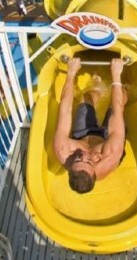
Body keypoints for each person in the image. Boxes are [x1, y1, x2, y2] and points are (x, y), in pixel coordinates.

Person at [53, 57, 127, 194]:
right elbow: (117, 111)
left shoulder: (62, 150)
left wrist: (71, 73)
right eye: (88, 162)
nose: (84, 155)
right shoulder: (111, 155)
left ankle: (97, 89)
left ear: (70, 168)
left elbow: (65, 109)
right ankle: (124, 88)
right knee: (120, 100)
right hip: (107, 138)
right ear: (95, 170)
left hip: (83, 134)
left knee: (86, 97)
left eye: (78, 159)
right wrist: (116, 76)